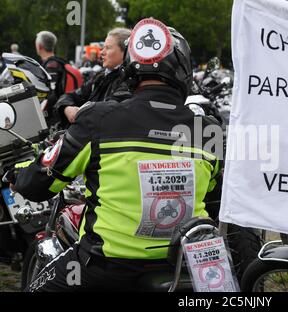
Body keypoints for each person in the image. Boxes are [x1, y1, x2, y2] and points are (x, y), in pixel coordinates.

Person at [10, 18, 221, 292]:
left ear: (130, 67)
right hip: (185, 265)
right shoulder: (208, 130)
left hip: (106, 267)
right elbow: (213, 197)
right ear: (184, 71)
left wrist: (18, 174)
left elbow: (41, 183)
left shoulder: (99, 118)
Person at [54, 28, 131, 125]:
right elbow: (71, 95)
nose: (102, 52)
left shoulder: (129, 81)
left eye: (108, 48)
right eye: (103, 47)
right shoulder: (100, 77)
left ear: (125, 52)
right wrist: (66, 108)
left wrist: (82, 112)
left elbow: (109, 112)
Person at [35, 31, 66, 126]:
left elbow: (52, 94)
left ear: (39, 46)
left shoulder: (51, 65)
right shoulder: (56, 63)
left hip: (53, 118)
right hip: (57, 114)